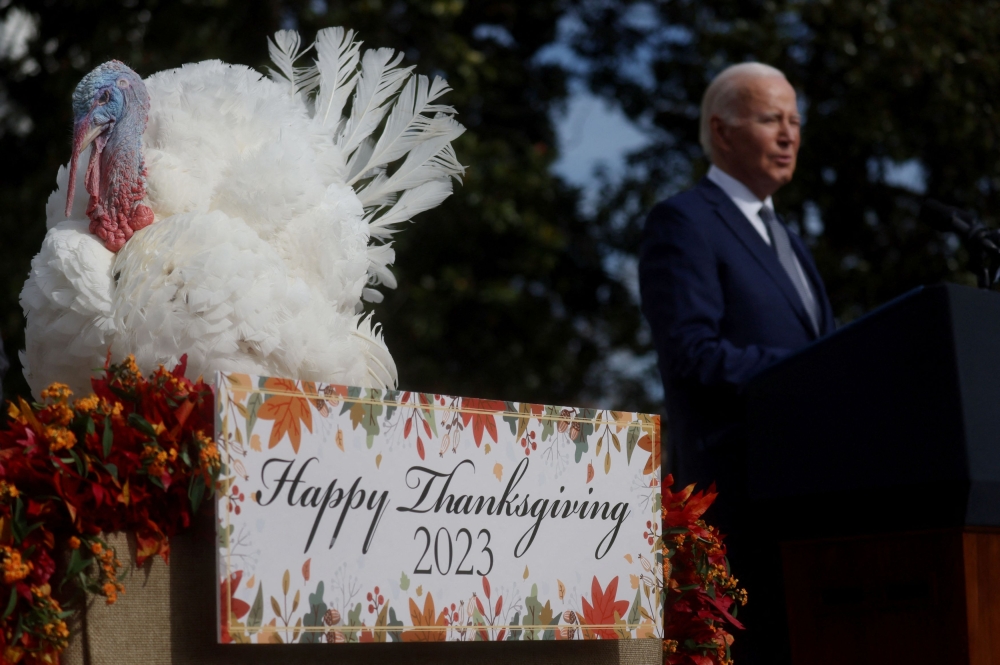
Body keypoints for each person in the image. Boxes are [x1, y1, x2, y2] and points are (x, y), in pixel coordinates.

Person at [639, 62, 836, 663]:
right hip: (741, 508)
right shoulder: (686, 222)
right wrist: (816, 369)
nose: (789, 135)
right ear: (722, 132)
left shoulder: (790, 238)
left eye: (796, 120)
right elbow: (692, 354)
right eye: (771, 118)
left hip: (812, 496)